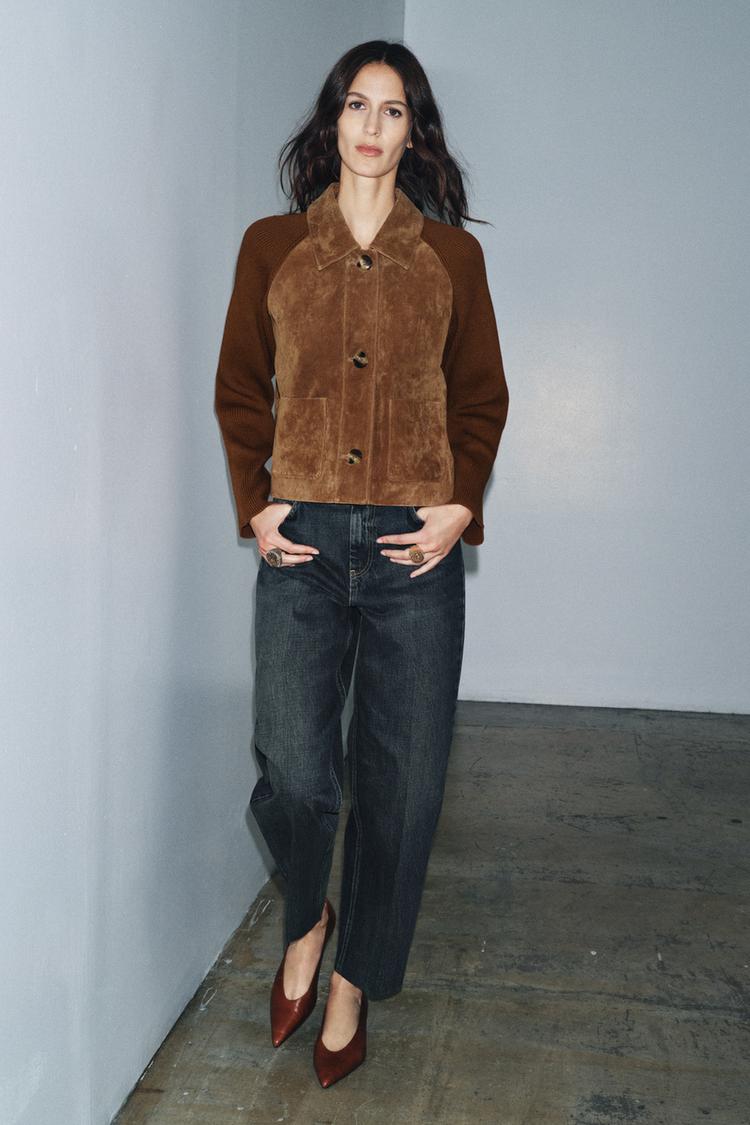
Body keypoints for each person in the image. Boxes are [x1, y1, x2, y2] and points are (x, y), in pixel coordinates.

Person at [214, 39, 509, 1088]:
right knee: (296, 771)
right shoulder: (272, 247)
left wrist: (459, 504)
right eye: (355, 104)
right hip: (301, 547)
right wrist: (256, 503)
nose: (372, 125)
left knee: (406, 787)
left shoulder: (454, 260)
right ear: (331, 120)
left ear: (414, 133)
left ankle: (352, 984)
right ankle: (311, 913)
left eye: (392, 110)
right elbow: (241, 387)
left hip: (411, 556)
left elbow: (482, 397)